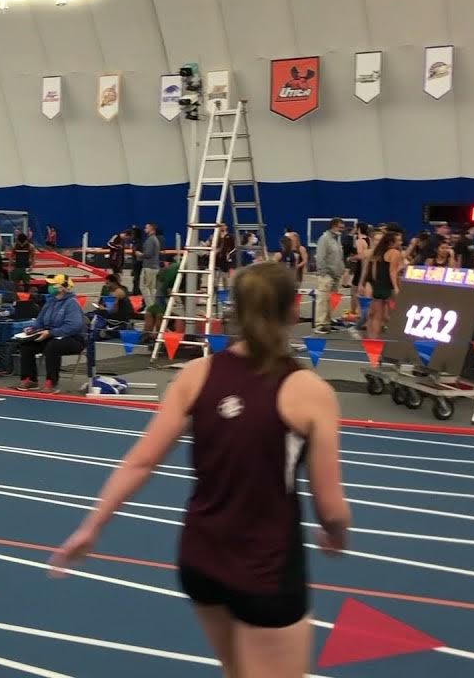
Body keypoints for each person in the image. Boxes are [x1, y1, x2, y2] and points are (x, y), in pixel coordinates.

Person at [49, 261, 350, 678]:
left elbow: (140, 460)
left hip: (201, 560)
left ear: (234, 310)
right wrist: (336, 534)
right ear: (294, 308)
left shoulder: (195, 375)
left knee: (235, 669)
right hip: (266, 568)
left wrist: (91, 526)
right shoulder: (310, 391)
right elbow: (331, 507)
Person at [16, 274, 85, 394]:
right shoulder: (50, 302)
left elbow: (74, 326)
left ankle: (51, 383)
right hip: (50, 336)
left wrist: (51, 332)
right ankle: (30, 380)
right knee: (27, 345)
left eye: (53, 285)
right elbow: (40, 321)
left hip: (73, 339)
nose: (50, 287)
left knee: (53, 346)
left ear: (62, 287)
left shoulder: (71, 303)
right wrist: (32, 329)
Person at [360, 231, 402, 340]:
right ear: (392, 242)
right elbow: (392, 272)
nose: (400, 243)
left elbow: (373, 270)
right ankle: (375, 339)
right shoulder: (394, 253)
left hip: (377, 285)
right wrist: (396, 288)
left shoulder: (378, 253)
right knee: (384, 316)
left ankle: (371, 338)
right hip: (386, 286)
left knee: (375, 315)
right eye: (398, 241)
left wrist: (370, 283)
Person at [313, 218, 345, 335]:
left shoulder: (336, 240)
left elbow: (338, 258)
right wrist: (324, 272)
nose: (342, 230)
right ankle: (320, 325)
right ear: (333, 226)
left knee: (331, 301)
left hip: (335, 275)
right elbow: (320, 257)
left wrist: (340, 271)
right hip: (326, 275)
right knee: (323, 300)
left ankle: (327, 323)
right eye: (340, 227)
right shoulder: (324, 239)